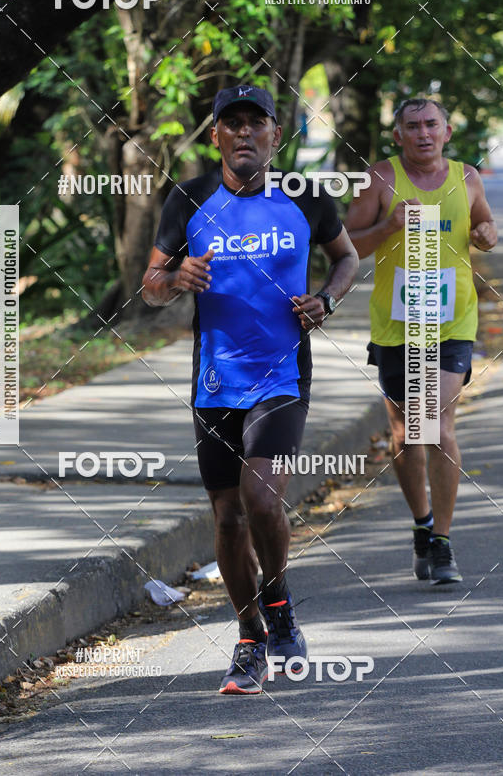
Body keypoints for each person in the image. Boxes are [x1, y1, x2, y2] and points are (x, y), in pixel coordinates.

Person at [142, 84, 358, 693]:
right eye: (230, 124)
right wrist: (175, 276)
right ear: (214, 136)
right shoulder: (188, 198)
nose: (243, 133)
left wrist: (327, 299)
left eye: (254, 123)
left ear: (275, 136)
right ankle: (248, 639)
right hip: (214, 379)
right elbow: (149, 285)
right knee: (228, 519)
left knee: (262, 501)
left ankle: (280, 601)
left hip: (282, 374)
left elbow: (347, 259)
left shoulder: (306, 197)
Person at [345, 98, 497, 585]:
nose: (423, 133)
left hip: (452, 320)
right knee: (407, 434)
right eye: (412, 126)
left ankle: (444, 543)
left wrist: (487, 233)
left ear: (447, 131)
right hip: (398, 323)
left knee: (434, 421)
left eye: (431, 124)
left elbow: (482, 225)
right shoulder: (381, 179)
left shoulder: (467, 177)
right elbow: (346, 246)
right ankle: (421, 524)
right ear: (399, 136)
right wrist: (388, 226)